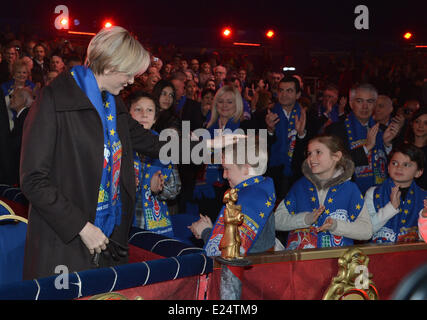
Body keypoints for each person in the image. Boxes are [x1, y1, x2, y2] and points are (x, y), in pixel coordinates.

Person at [20, 26, 167, 280]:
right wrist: (81, 227)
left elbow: (151, 142)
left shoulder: (113, 103)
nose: (131, 81)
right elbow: (33, 179)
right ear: (110, 66)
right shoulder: (54, 100)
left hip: (107, 241)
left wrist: (206, 146)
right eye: (129, 73)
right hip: (64, 245)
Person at [275, 135, 372, 249]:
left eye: (318, 152)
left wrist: (336, 226)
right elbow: (276, 221)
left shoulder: (350, 189)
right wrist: (305, 219)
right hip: (301, 261)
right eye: (309, 153)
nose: (311, 158)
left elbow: (367, 231)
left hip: (337, 261)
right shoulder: (300, 186)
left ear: (336, 156)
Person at [188, 137, 276, 256]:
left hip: (250, 272)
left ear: (246, 168)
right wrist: (213, 229)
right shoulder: (259, 189)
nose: (224, 175)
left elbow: (232, 252)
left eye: (227, 169)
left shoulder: (248, 199)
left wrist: (205, 232)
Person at [325, 83, 400, 194]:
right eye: (359, 101)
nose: (365, 107)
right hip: (348, 194)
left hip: (380, 194)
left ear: (375, 104)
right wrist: (366, 147)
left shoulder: (383, 130)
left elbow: (395, 167)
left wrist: (386, 145)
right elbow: (336, 164)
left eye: (370, 102)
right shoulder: (336, 130)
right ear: (351, 104)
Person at [128, 91, 181, 236]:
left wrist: (159, 188)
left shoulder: (164, 146)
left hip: (153, 226)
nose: (144, 114)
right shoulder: (120, 146)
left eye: (149, 110)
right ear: (127, 116)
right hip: (125, 223)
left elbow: (175, 188)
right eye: (138, 109)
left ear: (155, 119)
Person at [365, 143, 427, 243]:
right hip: (379, 255)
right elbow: (366, 230)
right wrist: (391, 207)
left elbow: (424, 237)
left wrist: (424, 217)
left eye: (406, 165)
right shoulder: (373, 193)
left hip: (412, 256)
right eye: (394, 163)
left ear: (418, 172)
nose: (399, 168)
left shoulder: (424, 197)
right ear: (388, 167)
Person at [264, 75, 308, 202]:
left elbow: (309, 148)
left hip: (297, 172)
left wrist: (301, 134)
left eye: (289, 91)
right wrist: (270, 130)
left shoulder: (306, 115)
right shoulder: (266, 114)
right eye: (281, 90)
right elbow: (259, 147)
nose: (284, 94)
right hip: (272, 173)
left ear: (298, 94)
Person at [9, 87, 33, 185]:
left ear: (23, 100)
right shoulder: (23, 116)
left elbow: (18, 143)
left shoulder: (26, 116)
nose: (10, 99)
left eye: (13, 97)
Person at [403, 108, 427, 189]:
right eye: (417, 121)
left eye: (425, 123)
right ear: (411, 123)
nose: (420, 126)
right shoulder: (403, 148)